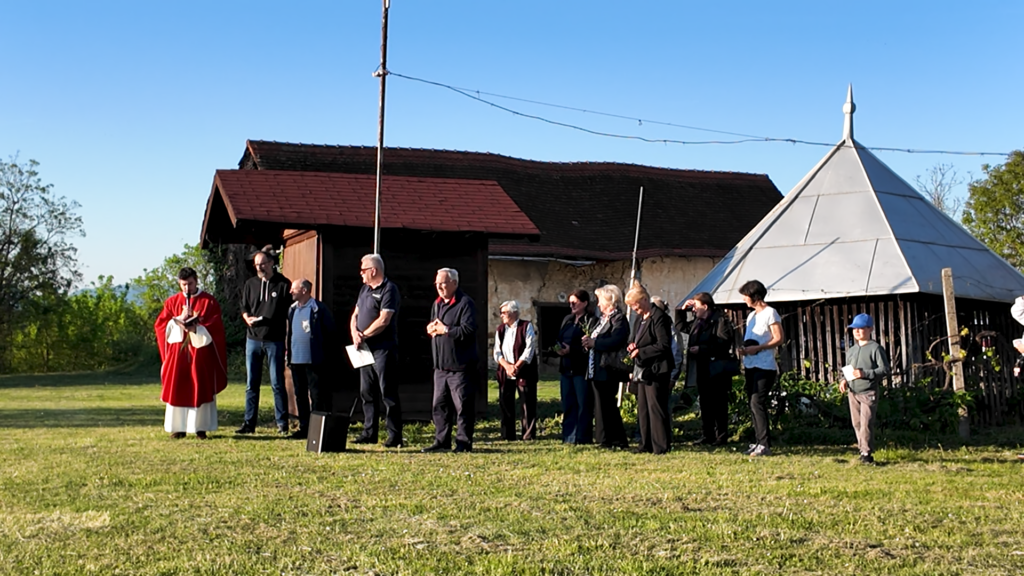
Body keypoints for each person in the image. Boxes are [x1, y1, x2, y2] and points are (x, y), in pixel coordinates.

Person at [154, 267, 228, 439]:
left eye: (190, 284)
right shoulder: (172, 302)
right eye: (183, 285)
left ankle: (200, 427)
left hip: (200, 353)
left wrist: (197, 328)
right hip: (178, 353)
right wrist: (178, 320)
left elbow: (216, 327)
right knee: (178, 387)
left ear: (197, 281)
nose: (187, 288)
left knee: (199, 387)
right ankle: (178, 427)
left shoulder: (208, 301)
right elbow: (161, 326)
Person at [237, 248, 293, 435]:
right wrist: (247, 317)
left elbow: (289, 311)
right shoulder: (250, 284)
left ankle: (282, 423)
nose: (259, 268)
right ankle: (249, 423)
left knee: (277, 383)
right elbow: (244, 306)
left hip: (274, 340)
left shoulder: (283, 284)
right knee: (251, 383)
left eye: (262, 264)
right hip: (253, 339)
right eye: (256, 265)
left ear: (271, 263)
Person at [350, 254, 403, 448]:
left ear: (373, 271)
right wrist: (355, 333)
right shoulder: (364, 289)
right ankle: (369, 432)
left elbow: (384, 319)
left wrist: (364, 335)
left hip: (383, 349)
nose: (361, 274)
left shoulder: (389, 289)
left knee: (387, 391)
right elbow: (355, 315)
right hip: (364, 349)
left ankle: (394, 435)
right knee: (367, 392)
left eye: (363, 270)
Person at [423, 268, 479, 453]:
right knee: (439, 406)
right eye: (437, 283)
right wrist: (432, 329)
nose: (439, 287)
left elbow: (468, 330)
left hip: (460, 367)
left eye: (443, 283)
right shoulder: (437, 304)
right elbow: (436, 326)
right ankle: (441, 441)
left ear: (454, 283)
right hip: (440, 367)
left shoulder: (465, 304)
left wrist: (446, 330)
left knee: (462, 407)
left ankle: (463, 443)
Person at [676, 292, 737, 446]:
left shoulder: (720, 321)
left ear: (705, 306)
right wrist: (681, 310)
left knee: (719, 403)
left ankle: (721, 436)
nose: (693, 309)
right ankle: (707, 435)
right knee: (705, 403)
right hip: (702, 367)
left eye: (696, 306)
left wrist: (702, 349)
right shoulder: (698, 322)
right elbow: (681, 326)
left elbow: (724, 343)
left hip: (717, 368)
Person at [625, 282, 675, 455]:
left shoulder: (659, 317)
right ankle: (645, 444)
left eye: (635, 305)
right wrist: (632, 346)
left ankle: (660, 446)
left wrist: (641, 352)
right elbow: (634, 338)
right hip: (643, 369)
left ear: (645, 300)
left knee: (656, 407)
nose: (634, 309)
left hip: (657, 369)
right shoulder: (640, 319)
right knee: (643, 408)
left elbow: (664, 345)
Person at [736, 279, 784, 457]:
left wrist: (759, 348)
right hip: (750, 364)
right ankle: (757, 441)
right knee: (752, 403)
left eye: (746, 296)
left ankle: (764, 444)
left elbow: (778, 338)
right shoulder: (751, 316)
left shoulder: (771, 313)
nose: (744, 299)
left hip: (764, 365)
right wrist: (745, 350)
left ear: (755, 296)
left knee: (757, 402)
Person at [285, 278, 336, 440]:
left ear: (304, 290)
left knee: (316, 395)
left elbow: (329, 332)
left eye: (294, 289)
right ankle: (304, 427)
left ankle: (317, 429)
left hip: (313, 361)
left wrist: (323, 355)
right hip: (296, 361)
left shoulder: (318, 309)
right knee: (300, 395)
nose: (291, 291)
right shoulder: (292, 309)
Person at [582, 284, 630, 449]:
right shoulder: (602, 320)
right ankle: (604, 438)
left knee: (607, 404)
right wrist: (588, 342)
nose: (598, 304)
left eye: (600, 301)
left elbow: (616, 340)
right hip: (596, 368)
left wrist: (595, 343)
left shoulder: (619, 319)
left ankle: (615, 439)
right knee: (600, 404)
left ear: (608, 301)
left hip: (608, 369)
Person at [838, 313, 890, 465]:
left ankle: (867, 453)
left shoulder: (876, 348)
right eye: (854, 329)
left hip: (868, 391)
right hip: (852, 392)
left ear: (870, 329)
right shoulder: (851, 350)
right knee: (857, 423)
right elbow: (847, 369)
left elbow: (884, 370)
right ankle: (862, 450)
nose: (857, 331)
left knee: (866, 423)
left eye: (861, 328)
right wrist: (843, 380)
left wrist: (865, 374)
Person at [493, 300, 539, 441]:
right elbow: (497, 352)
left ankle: (528, 435)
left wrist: (516, 366)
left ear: (514, 313)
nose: (502, 315)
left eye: (504, 312)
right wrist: (507, 366)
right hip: (505, 371)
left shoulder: (526, 326)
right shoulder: (501, 329)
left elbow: (529, 349)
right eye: (501, 313)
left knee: (527, 403)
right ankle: (507, 435)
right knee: (505, 402)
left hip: (524, 371)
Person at [556, 289, 597, 444]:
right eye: (570, 302)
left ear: (585, 303)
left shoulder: (591, 321)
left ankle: (582, 437)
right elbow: (559, 337)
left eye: (575, 302)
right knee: (568, 403)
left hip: (581, 368)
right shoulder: (567, 319)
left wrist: (571, 350)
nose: (571, 305)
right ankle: (569, 436)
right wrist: (558, 348)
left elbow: (589, 345)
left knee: (583, 404)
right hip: (566, 367)